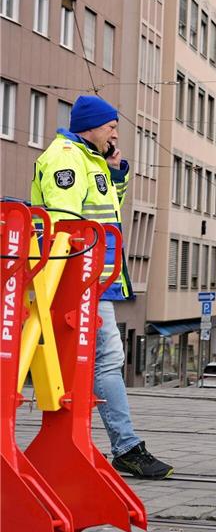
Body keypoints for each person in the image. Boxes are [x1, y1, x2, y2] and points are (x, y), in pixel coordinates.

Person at [30, 95, 173, 479]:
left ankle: (93, 446)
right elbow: (64, 224)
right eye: (111, 126)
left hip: (91, 279)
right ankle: (125, 447)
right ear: (91, 126)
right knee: (105, 359)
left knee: (93, 361)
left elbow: (107, 214)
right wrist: (73, 281)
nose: (115, 133)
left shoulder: (90, 160)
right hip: (78, 279)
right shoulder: (66, 159)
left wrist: (116, 175)